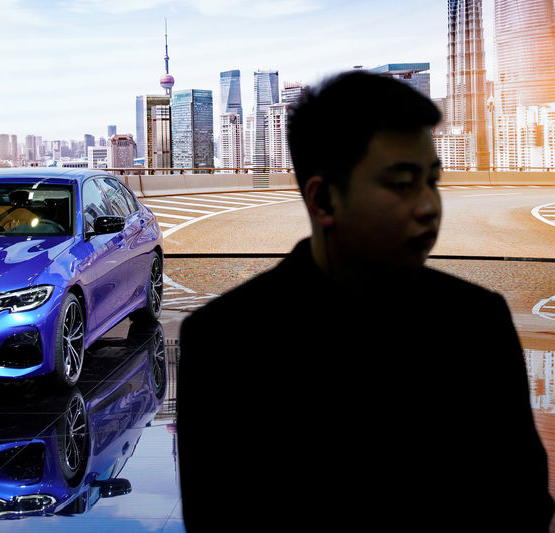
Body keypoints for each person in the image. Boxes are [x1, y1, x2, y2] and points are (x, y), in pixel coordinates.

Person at [177, 70, 553, 531]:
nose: (429, 206)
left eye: (431, 181)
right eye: (401, 183)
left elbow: (524, 504)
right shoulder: (227, 344)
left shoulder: (477, 323)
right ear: (324, 200)